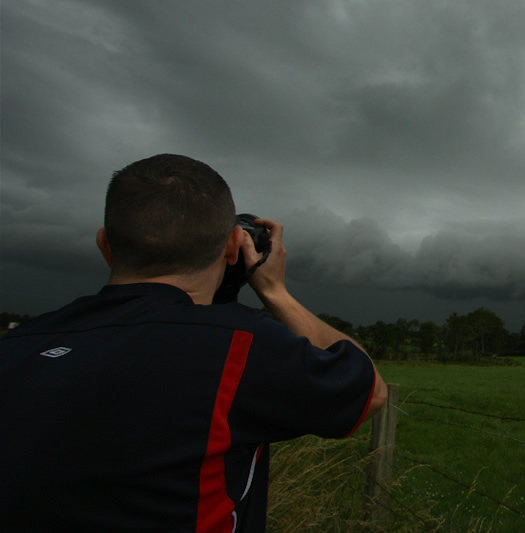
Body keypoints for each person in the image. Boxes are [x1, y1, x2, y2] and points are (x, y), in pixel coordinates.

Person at [0, 153, 388, 532]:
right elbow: (369, 393)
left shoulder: (16, 345)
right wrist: (274, 290)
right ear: (234, 245)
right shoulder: (240, 347)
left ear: (105, 246)